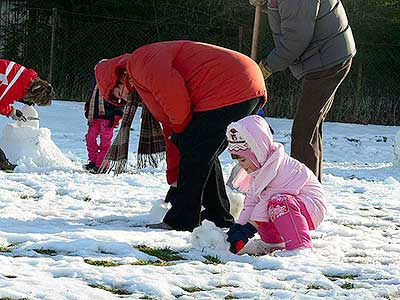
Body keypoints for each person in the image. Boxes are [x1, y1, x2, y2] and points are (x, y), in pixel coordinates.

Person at [99, 41, 267, 232]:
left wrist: (181, 135)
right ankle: (217, 215)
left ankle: (182, 220)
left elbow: (174, 98)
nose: (124, 99)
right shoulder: (143, 65)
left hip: (229, 86)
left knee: (194, 153)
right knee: (203, 154)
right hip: (245, 83)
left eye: (118, 93)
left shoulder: (140, 63)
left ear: (119, 78)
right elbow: (172, 122)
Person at [250, 0, 356, 181]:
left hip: (327, 60)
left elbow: (295, 40)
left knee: (303, 132)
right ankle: (312, 189)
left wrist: (267, 67)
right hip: (326, 55)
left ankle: (302, 192)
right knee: (310, 129)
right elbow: (292, 19)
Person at [225, 115, 326, 255]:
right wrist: (238, 228)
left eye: (242, 159)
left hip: (310, 206)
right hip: (288, 206)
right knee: (264, 208)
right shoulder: (259, 171)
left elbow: (264, 202)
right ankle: (274, 243)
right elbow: (251, 201)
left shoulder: (281, 167)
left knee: (277, 203)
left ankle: (300, 246)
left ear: (257, 153)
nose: (240, 165)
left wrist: (247, 231)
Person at [0, 58, 54, 171]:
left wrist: (11, 110)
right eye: (35, 100)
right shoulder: (15, 85)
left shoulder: (23, 76)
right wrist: (11, 112)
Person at [83, 63, 127, 173]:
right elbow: (90, 96)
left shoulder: (114, 83)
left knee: (105, 142)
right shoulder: (94, 83)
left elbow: (120, 101)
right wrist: (88, 109)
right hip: (95, 115)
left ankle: (101, 165)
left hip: (109, 117)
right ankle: (93, 161)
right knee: (90, 138)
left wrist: (117, 115)